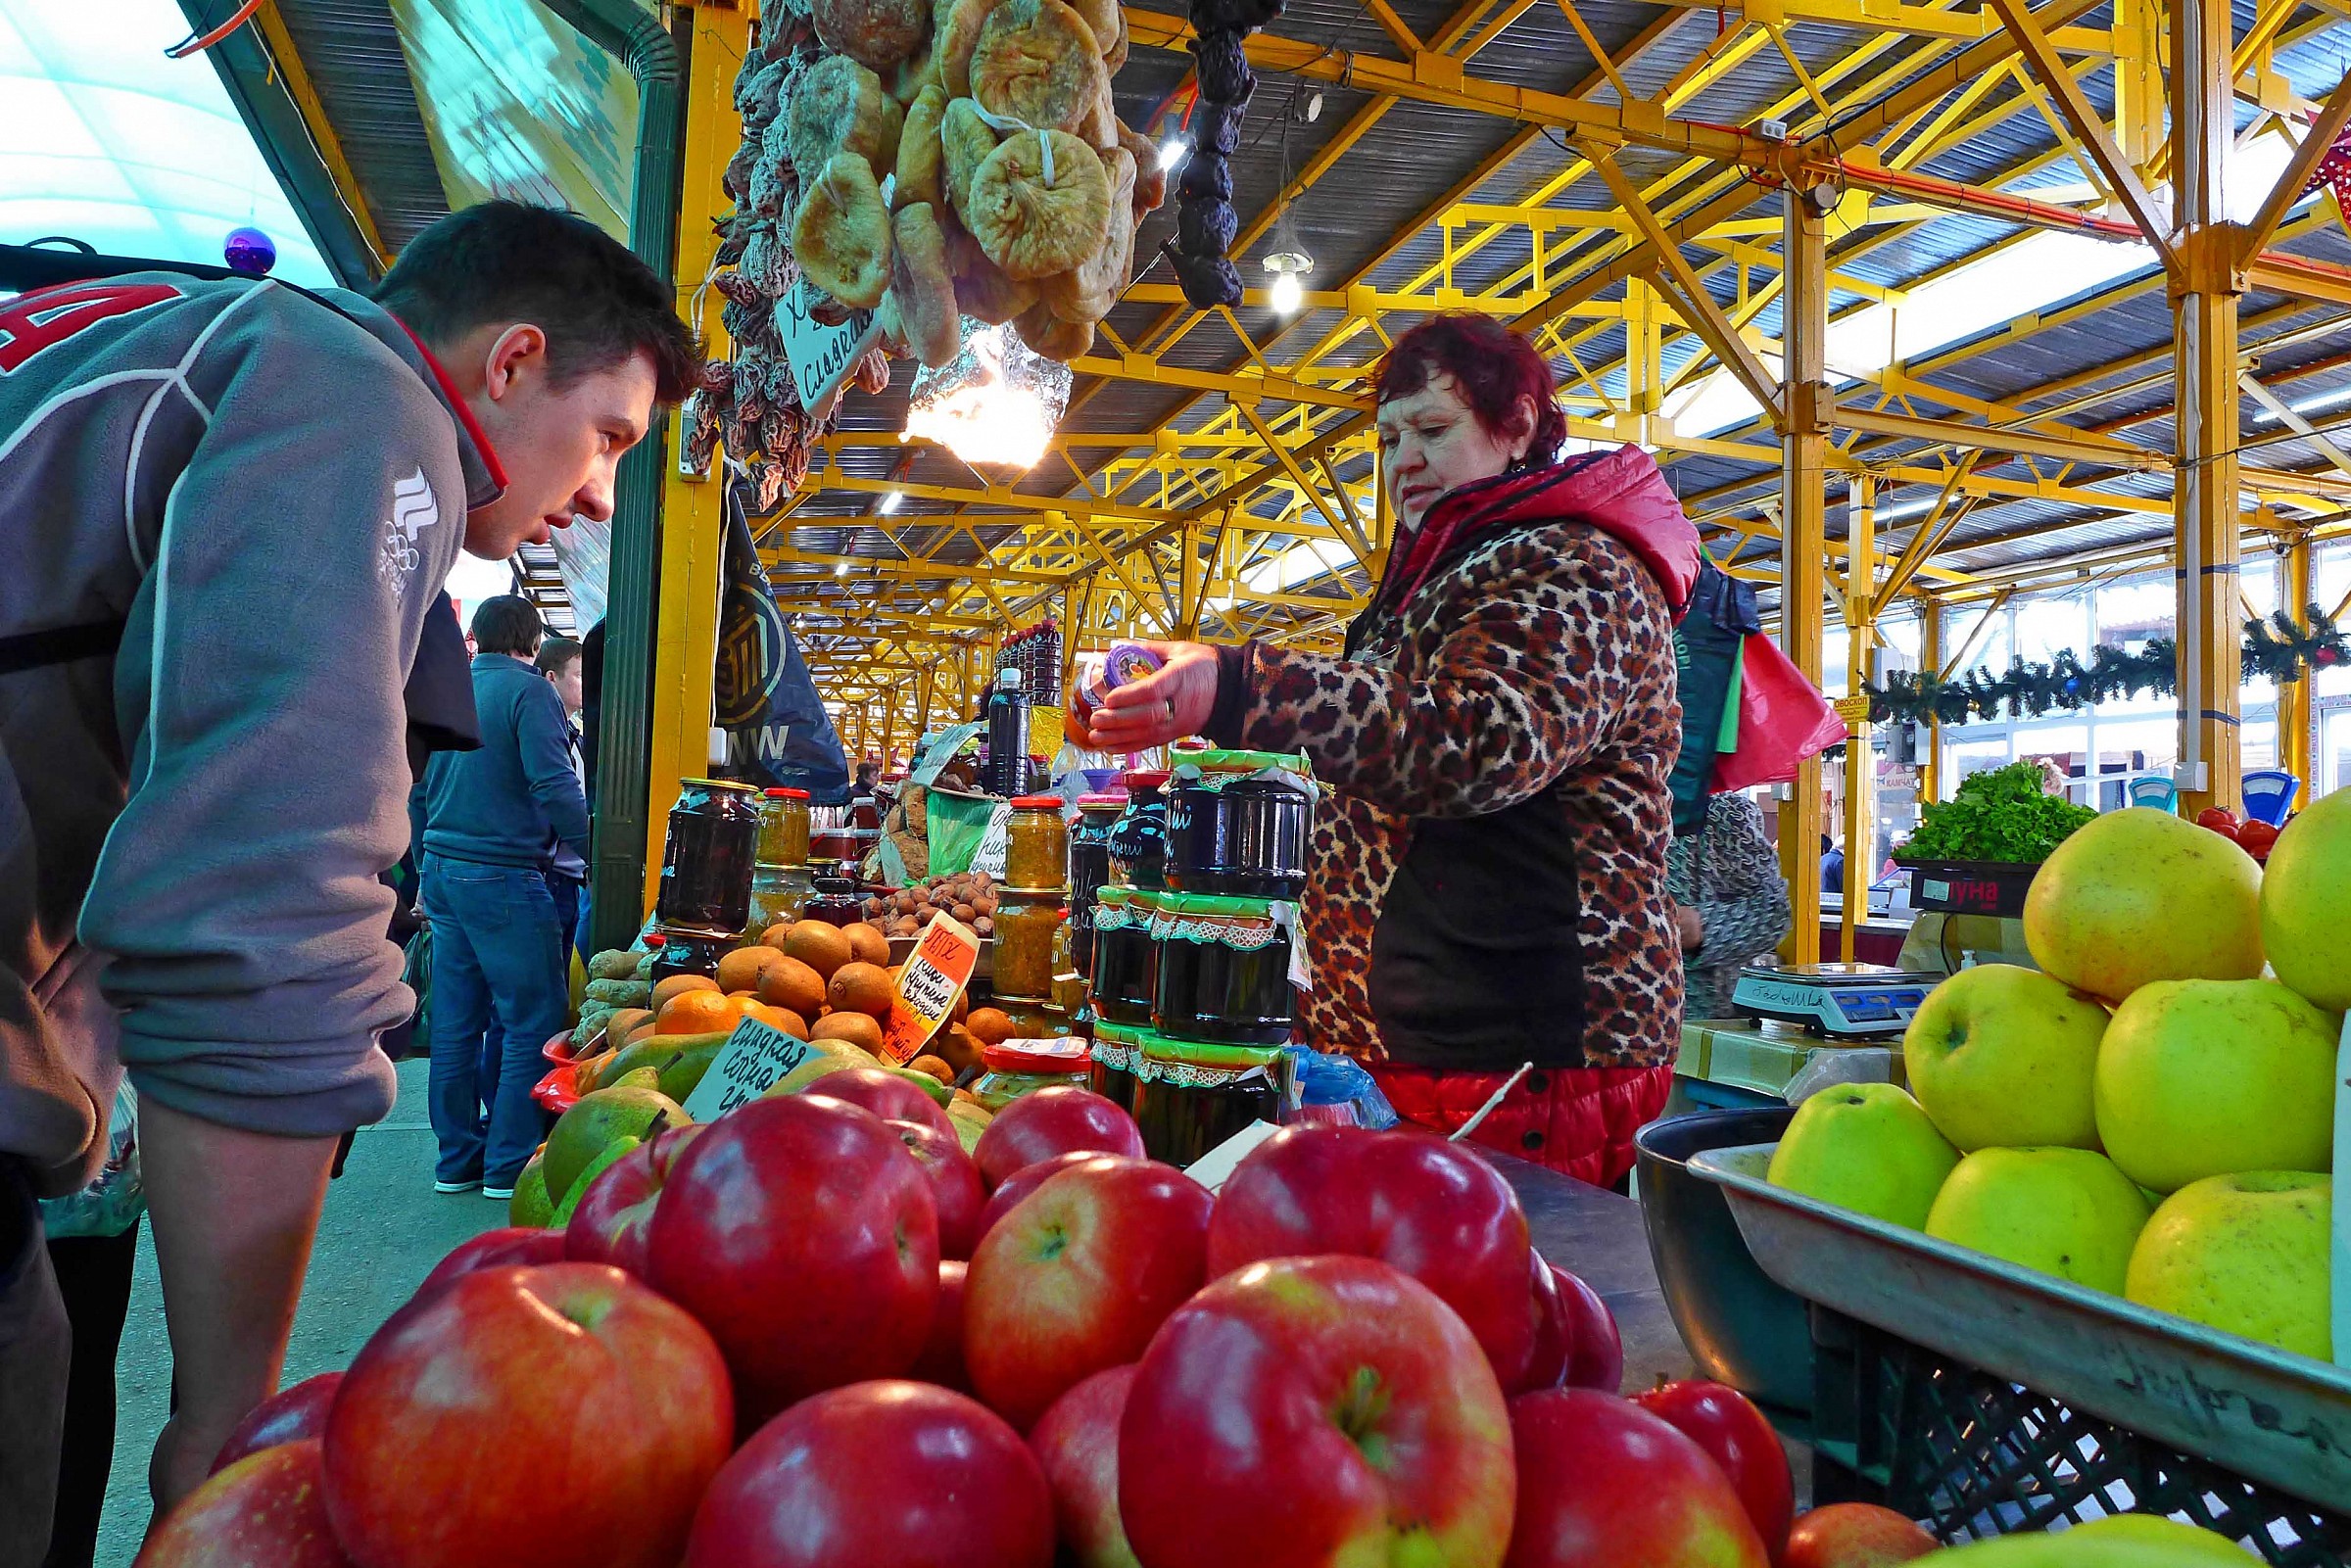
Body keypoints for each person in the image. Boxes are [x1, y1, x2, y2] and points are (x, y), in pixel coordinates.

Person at [0, 197, 696, 1549]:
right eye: (607, 434)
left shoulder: (200, 339)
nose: (603, 491)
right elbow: (263, 912)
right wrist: (226, 1425)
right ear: (509, 362)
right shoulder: (354, 405)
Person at [1083, 312, 1698, 1188]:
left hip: (1521, 1044)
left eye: (1433, 429)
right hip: (1427, 1042)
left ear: (1519, 423)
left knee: (1486, 1297)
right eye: (1389, 436)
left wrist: (1245, 687)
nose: (1402, 457)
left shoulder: (1577, 566)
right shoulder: (1453, 569)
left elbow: (1480, 741)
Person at [417, 598, 589, 1202]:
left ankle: (455, 1159)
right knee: (529, 1018)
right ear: (532, 641)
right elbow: (552, 782)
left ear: (475, 635)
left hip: (442, 871)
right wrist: (596, 849)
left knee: (457, 1023)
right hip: (504, 875)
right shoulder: (529, 692)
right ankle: (509, 1162)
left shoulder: (448, 684)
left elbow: (415, 788)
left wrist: (419, 866)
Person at [1666, 792, 1793, 1020]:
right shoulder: (1597, 816)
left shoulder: (1722, 813)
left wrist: (1703, 926)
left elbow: (1773, 912)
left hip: (1696, 1022)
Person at [534, 636, 590, 957]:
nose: (586, 685)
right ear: (551, 677)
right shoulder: (545, 735)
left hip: (570, 879)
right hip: (549, 878)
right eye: (579, 675)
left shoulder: (575, 736)